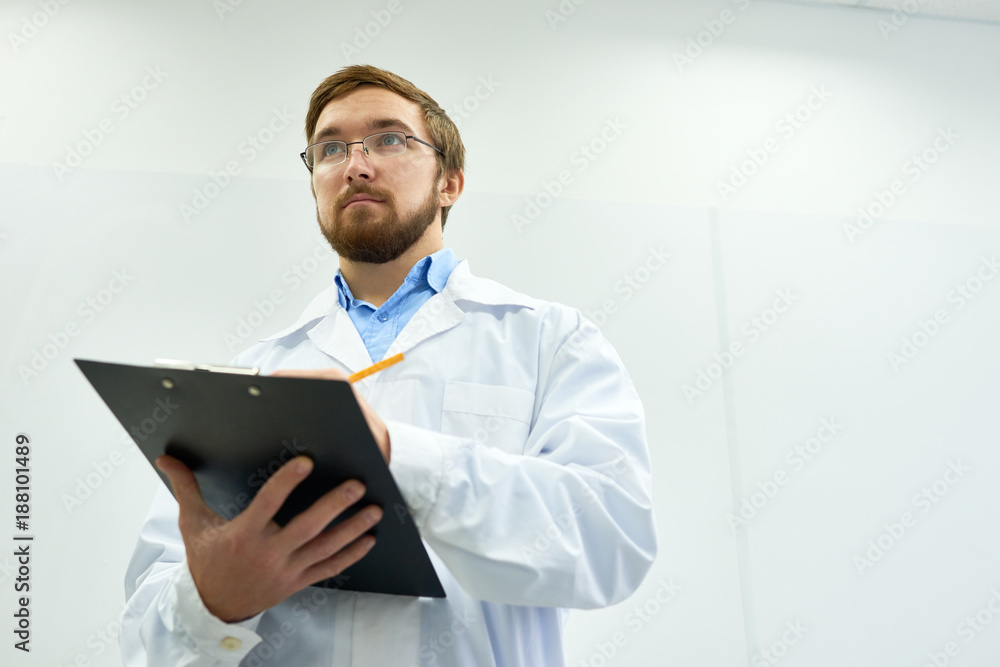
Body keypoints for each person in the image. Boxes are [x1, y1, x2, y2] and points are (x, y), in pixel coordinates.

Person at [120, 65, 657, 667]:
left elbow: (611, 543)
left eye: (389, 138)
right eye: (330, 148)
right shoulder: (254, 376)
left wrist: (398, 457)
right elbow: (146, 635)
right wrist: (213, 602)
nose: (355, 165)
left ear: (450, 182)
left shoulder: (550, 341)